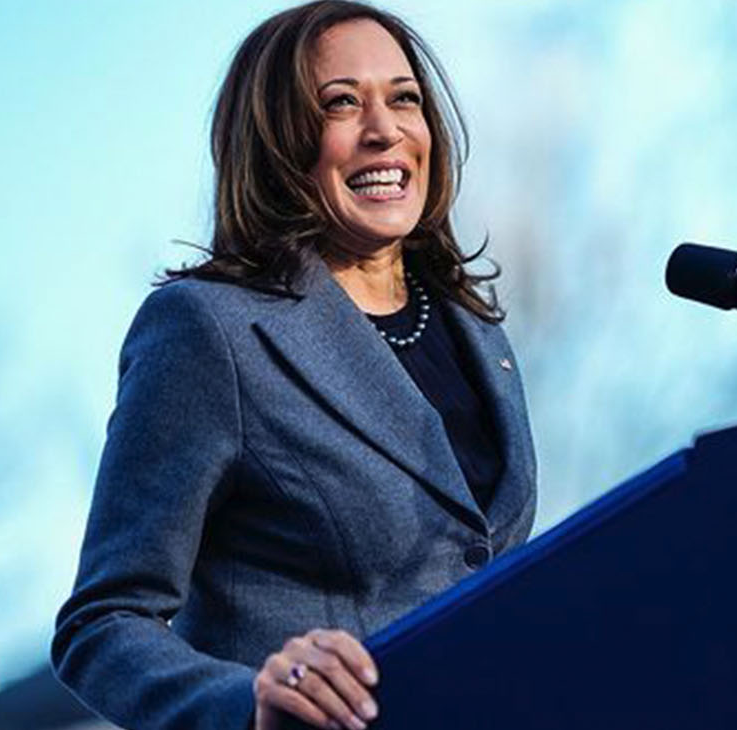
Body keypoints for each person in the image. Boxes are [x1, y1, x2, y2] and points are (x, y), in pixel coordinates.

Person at [50, 3, 537, 729]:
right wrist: (247, 704)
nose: (385, 130)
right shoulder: (209, 330)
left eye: (404, 99)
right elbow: (102, 624)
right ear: (276, 141)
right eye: (341, 103)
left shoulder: (476, 329)